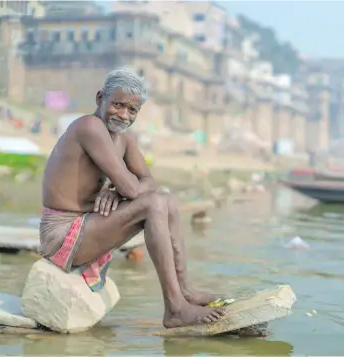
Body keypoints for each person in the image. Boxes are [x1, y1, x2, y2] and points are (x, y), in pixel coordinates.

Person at [39, 68, 225, 328]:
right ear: (99, 98)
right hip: (61, 234)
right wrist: (123, 188)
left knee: (166, 200)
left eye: (132, 110)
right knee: (154, 203)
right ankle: (175, 308)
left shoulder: (125, 139)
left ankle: (185, 293)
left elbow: (148, 182)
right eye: (117, 105)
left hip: (89, 225)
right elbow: (133, 187)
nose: (124, 115)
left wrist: (116, 191)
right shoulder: (89, 127)